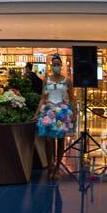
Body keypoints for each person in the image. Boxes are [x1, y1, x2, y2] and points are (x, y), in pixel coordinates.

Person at [36, 53, 74, 181]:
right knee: (48, 140)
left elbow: (72, 100)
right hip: (49, 111)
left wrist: (73, 114)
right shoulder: (46, 80)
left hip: (62, 112)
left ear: (61, 65)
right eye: (54, 64)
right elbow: (43, 98)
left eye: (58, 64)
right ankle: (50, 166)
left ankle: (57, 168)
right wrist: (36, 114)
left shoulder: (67, 81)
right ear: (51, 65)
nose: (56, 66)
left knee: (61, 140)